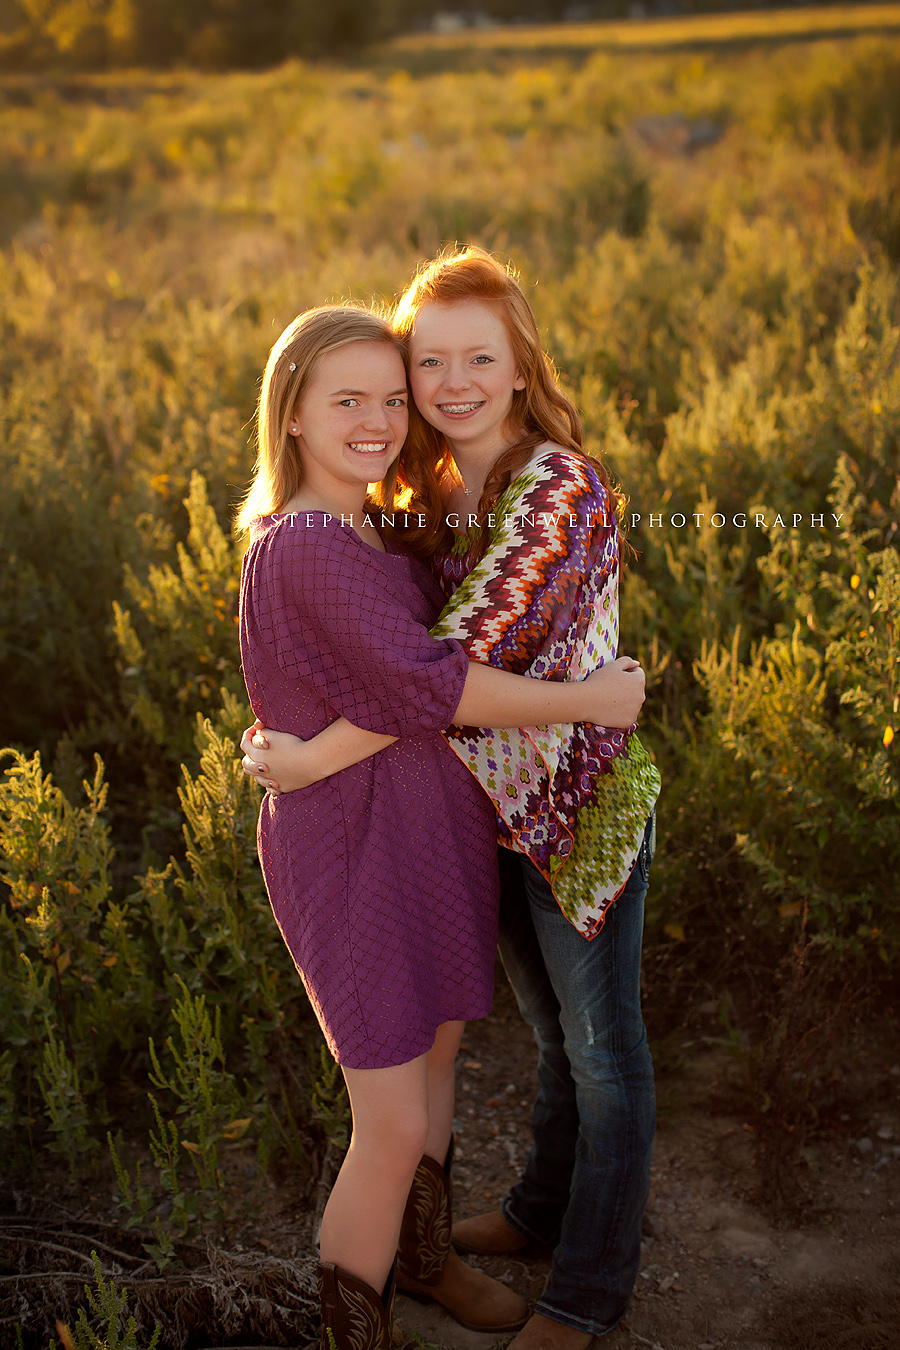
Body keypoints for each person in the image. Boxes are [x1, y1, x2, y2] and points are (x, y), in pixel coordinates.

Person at [236, 302, 648, 1350]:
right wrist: (589, 703)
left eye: (387, 397)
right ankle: (358, 1325)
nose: (377, 420)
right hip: (355, 849)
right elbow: (433, 683)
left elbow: (428, 664)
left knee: (437, 1064)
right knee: (394, 1122)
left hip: (437, 833)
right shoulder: (310, 544)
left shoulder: (391, 520)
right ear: (291, 415)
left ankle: (424, 1264)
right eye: (348, 401)